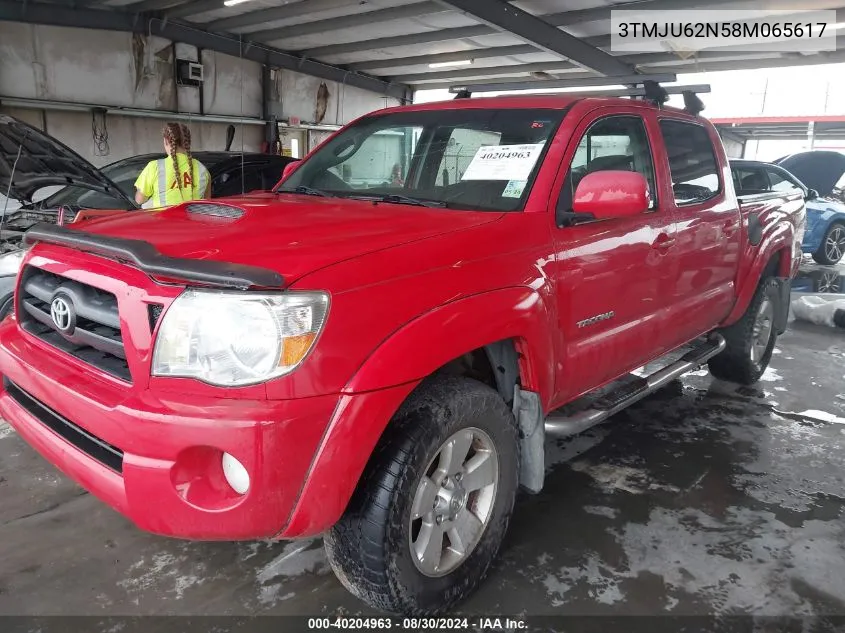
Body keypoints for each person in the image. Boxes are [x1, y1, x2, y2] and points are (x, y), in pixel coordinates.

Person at [134, 122, 210, 207]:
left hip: (164, 220)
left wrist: (140, 189)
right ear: (188, 142)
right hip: (191, 220)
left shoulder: (155, 167)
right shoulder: (202, 169)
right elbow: (207, 202)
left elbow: (139, 200)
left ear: (166, 141)